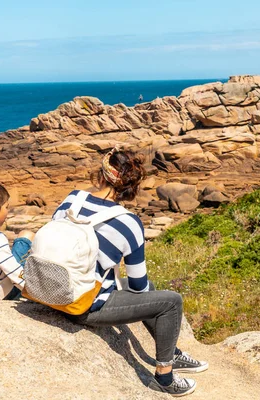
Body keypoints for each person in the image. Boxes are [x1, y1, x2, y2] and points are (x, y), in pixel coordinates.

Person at [53, 150, 207, 397]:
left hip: (52, 288)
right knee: (170, 302)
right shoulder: (128, 222)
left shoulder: (73, 199)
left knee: (153, 289)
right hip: (80, 305)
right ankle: (164, 378)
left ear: (101, 174)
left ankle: (171, 351)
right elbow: (138, 286)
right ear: (131, 187)